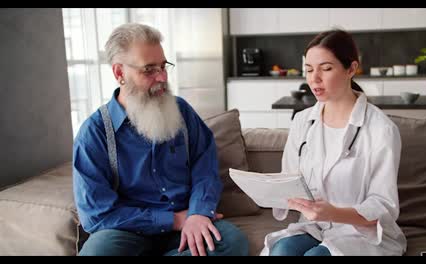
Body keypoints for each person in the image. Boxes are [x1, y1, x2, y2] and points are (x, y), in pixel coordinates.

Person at [73, 23, 249, 256]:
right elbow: (96, 214)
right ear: (119, 73)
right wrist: (173, 220)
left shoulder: (182, 112)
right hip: (127, 230)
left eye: (163, 66)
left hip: (189, 223)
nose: (162, 77)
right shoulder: (94, 133)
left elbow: (205, 169)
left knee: (232, 241)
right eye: (149, 70)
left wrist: (198, 213)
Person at [261, 29, 407, 256]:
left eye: (326, 68)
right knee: (281, 251)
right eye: (309, 70)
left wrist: (334, 213)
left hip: (361, 234)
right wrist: (268, 190)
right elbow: (288, 179)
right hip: (314, 227)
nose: (314, 78)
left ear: (351, 69)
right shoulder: (303, 121)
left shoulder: (381, 129)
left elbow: (383, 207)